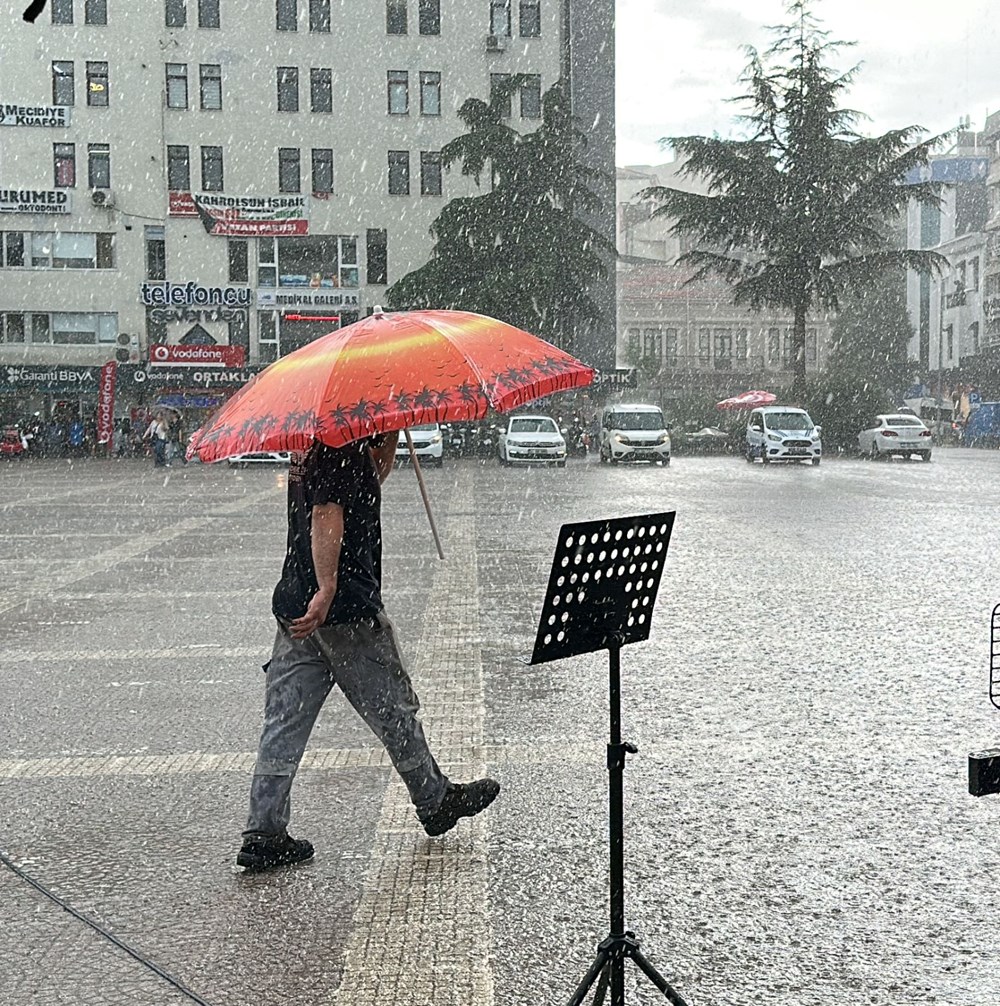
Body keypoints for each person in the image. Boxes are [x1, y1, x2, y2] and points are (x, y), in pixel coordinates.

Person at [237, 431, 500, 872]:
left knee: (283, 724)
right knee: (395, 711)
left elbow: (369, 478)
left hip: (296, 609)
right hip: (344, 615)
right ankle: (434, 801)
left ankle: (264, 831)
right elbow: (326, 512)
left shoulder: (315, 443)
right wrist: (328, 586)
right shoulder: (339, 442)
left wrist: (391, 439)